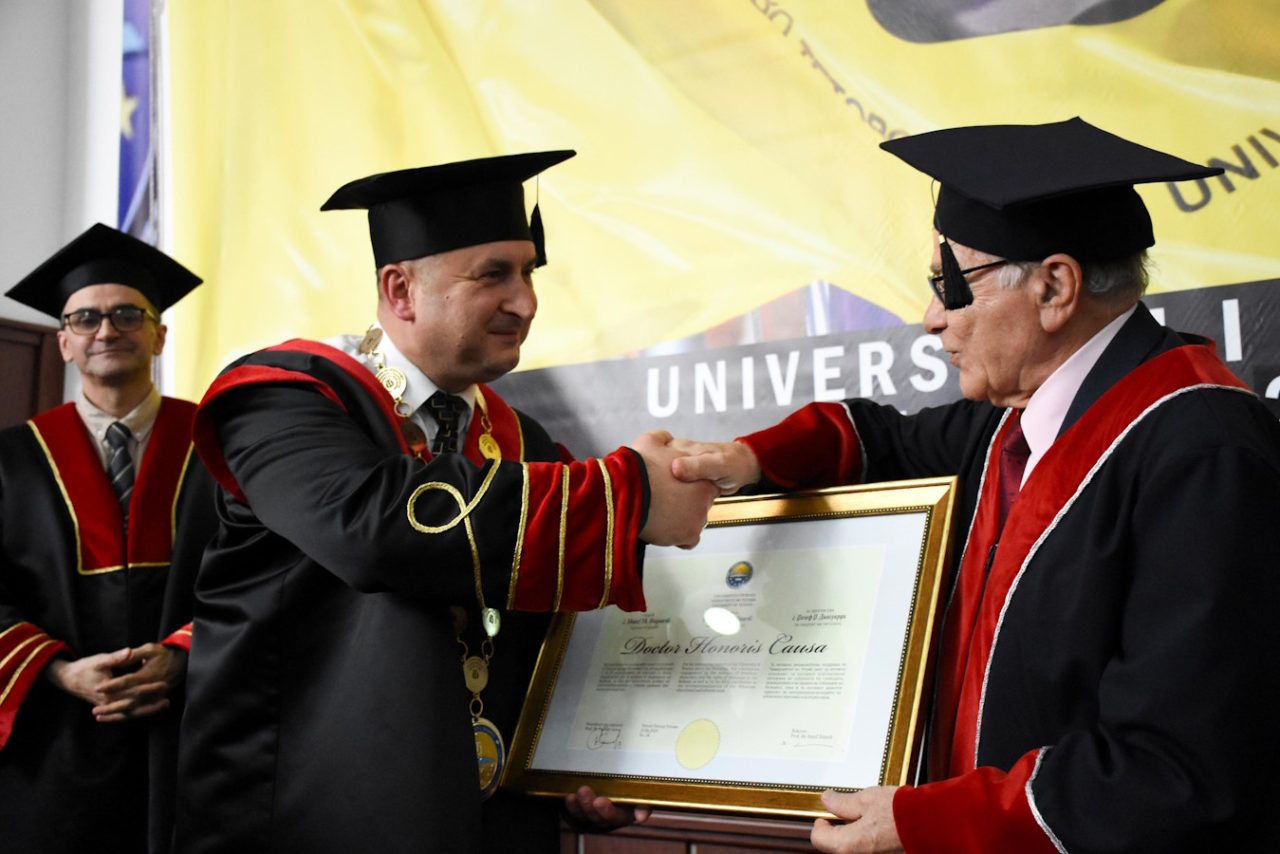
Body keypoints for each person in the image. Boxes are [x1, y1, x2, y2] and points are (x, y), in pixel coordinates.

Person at [669, 118, 1280, 852]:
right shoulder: (1009, 426)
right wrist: (746, 458)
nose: (931, 320)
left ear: (1054, 287)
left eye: (950, 286)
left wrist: (927, 821)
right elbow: (880, 441)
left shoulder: (1203, 452)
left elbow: (1179, 769)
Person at [173, 150, 717, 853]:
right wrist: (629, 495)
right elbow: (376, 528)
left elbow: (555, 635)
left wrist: (583, 761)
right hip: (305, 814)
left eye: (529, 272)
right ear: (400, 290)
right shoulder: (283, 400)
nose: (526, 302)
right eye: (494, 274)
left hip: (490, 823)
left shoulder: (526, 443)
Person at [0, 223, 219, 853]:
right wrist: (61, 672)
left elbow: (259, 573)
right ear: (64, 342)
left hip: (194, 731)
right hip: (51, 745)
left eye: (128, 314)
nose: (106, 330)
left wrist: (183, 653)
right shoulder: (11, 460)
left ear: (159, 334)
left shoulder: (218, 446)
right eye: (85, 318)